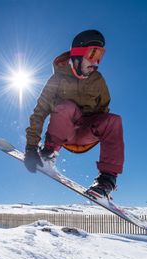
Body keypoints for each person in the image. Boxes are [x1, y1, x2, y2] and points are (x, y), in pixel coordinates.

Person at [24, 29, 125, 198]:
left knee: (113, 120)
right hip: (62, 133)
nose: (96, 62)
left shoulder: (98, 80)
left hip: (86, 133)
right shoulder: (57, 80)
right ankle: (49, 154)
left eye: (100, 55)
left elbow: (103, 113)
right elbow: (40, 111)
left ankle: (107, 180)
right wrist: (31, 146)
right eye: (93, 53)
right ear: (77, 54)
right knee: (66, 107)